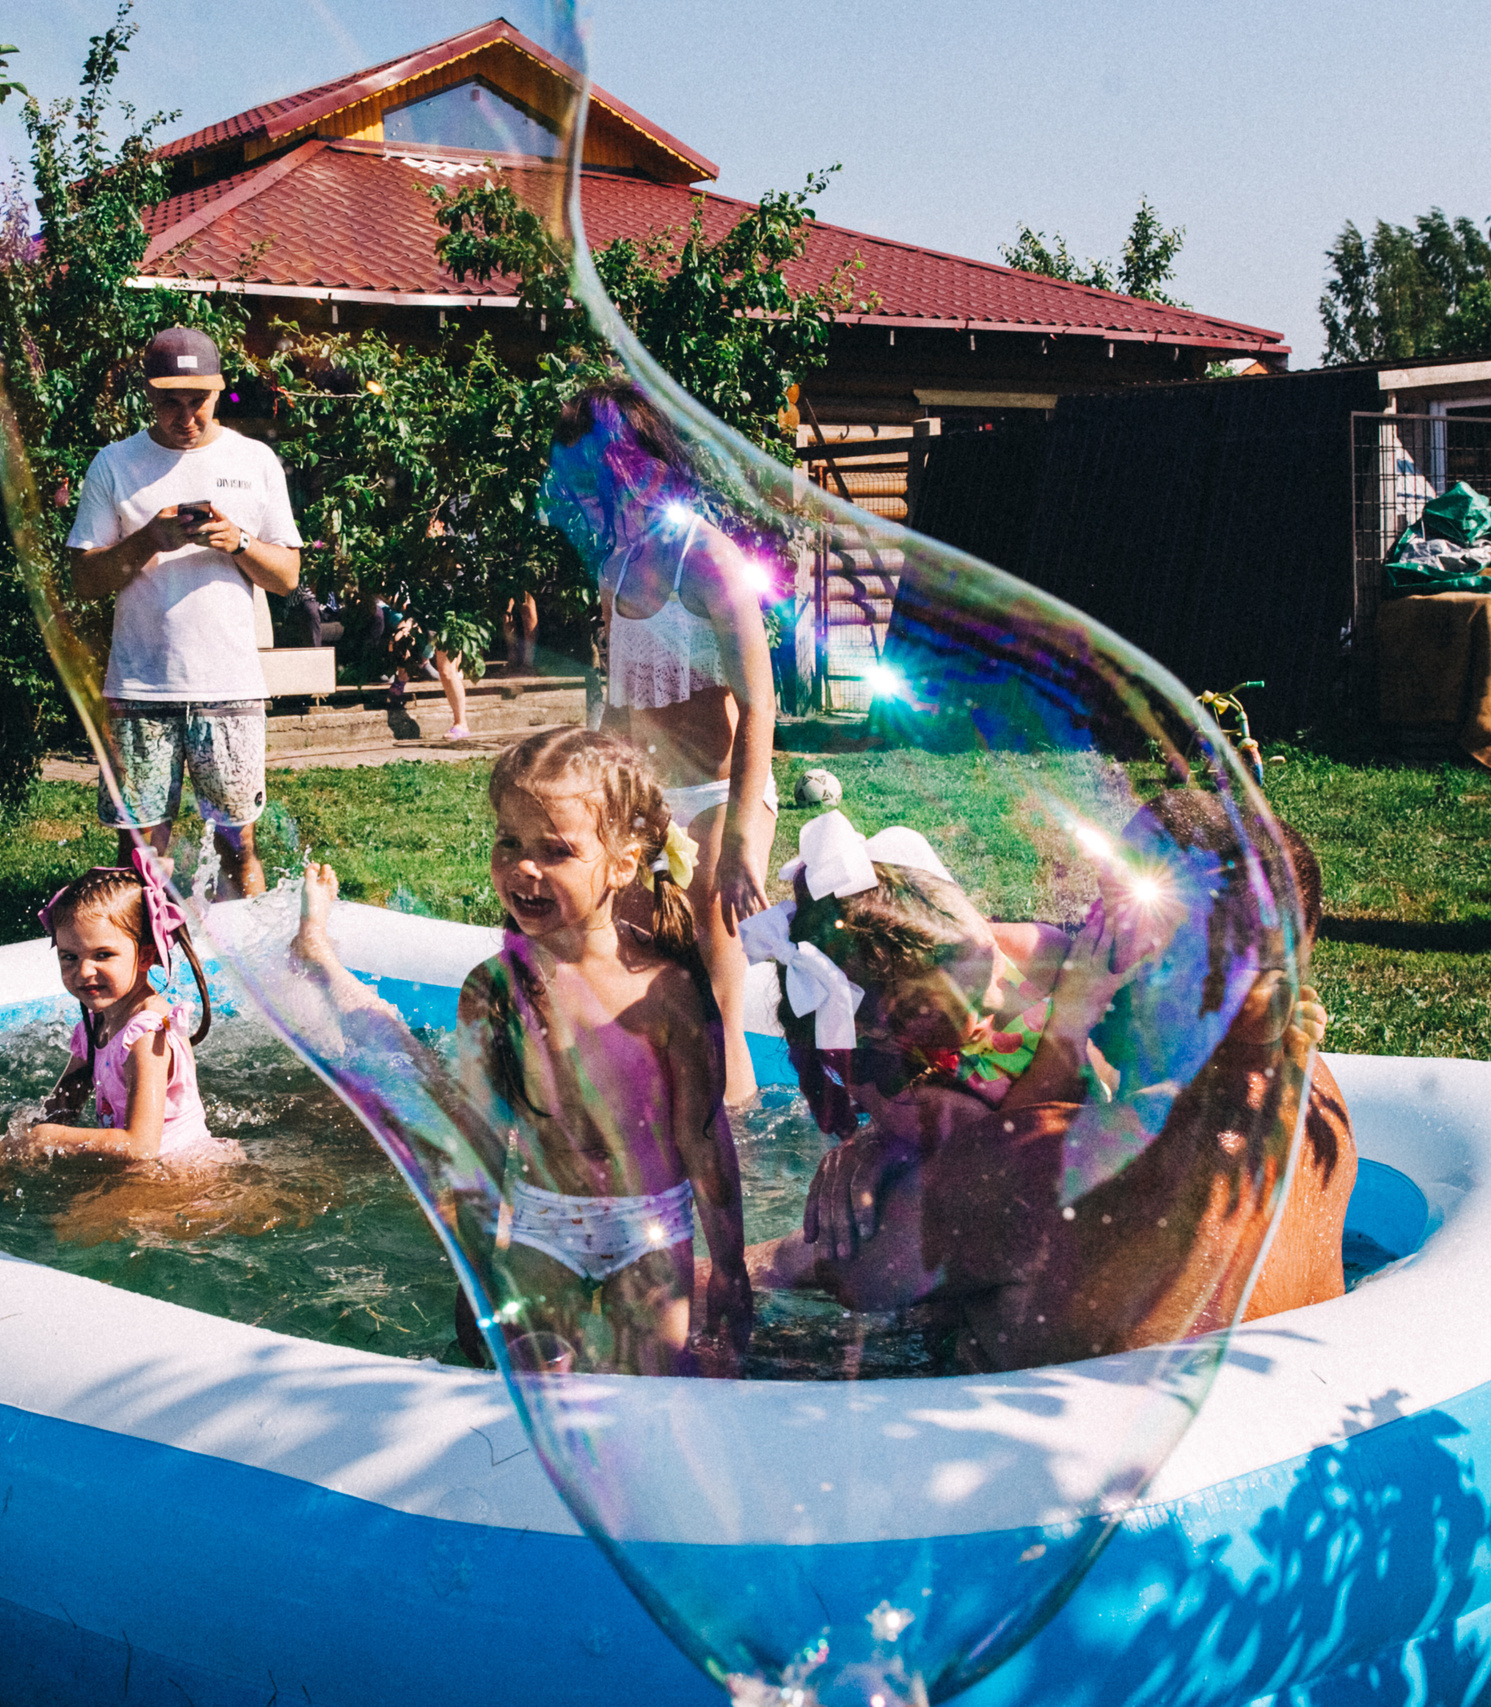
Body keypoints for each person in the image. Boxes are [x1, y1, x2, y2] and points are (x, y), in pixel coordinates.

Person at [746, 802, 1346, 1369]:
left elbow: (835, 1270)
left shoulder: (1039, 1163)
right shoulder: (1323, 1117)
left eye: (1115, 918)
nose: (1086, 938)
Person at [341, 726, 749, 1375]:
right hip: (538, 1226)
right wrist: (474, 1268)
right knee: (529, 1398)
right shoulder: (493, 989)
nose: (523, 866)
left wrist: (729, 1267)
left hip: (647, 1230)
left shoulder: (665, 988)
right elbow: (477, 1141)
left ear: (622, 862)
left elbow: (703, 1137)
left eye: (555, 849)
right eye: (510, 841)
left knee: (657, 1394)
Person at [541, 382, 779, 1105]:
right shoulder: (617, 564)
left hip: (718, 790)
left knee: (710, 968)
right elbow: (618, 704)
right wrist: (590, 804)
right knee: (635, 959)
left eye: (600, 475)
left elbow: (760, 703)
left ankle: (740, 1140)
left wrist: (738, 838)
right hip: (648, 798)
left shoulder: (709, 562)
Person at [68, 327, 304, 898]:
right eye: (168, 401)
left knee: (239, 844)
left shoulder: (255, 460)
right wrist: (148, 539)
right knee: (140, 852)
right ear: (147, 394)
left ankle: (248, 975)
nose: (185, 415)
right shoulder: (116, 464)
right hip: (140, 688)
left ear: (219, 390)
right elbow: (83, 581)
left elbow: (288, 576)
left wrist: (238, 541)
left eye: (196, 399)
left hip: (229, 687)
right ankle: (144, 970)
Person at [0, 850, 233, 1180]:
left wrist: (48, 1138)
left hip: (181, 1175)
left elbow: (141, 1146)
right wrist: (10, 1146)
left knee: (73, 1229)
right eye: (69, 957)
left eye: (103, 955)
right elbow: (63, 1105)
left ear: (146, 955)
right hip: (146, 1172)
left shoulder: (146, 1036)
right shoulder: (96, 1022)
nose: (84, 971)